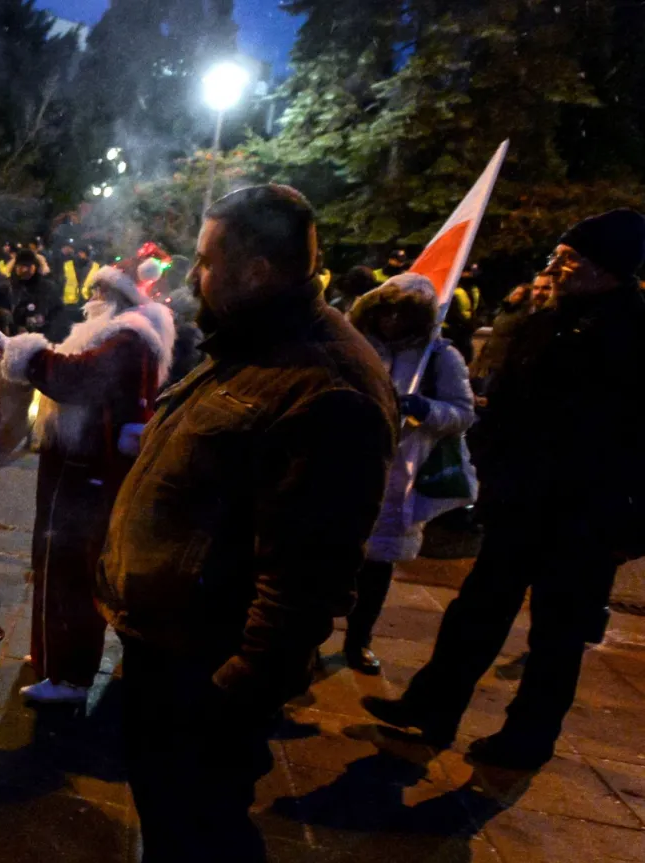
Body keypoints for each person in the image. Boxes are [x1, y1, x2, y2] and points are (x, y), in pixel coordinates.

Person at [98, 185, 397, 862]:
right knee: (171, 822)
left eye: (205, 260)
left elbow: (307, 576)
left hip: (204, 674)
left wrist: (232, 696)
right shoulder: (253, 342)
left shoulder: (328, 386)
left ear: (256, 270)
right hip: (167, 647)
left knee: (202, 832)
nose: (193, 275)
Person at [364, 210, 645, 770]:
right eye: (557, 259)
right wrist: (491, 475)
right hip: (522, 502)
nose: (556, 270)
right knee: (478, 611)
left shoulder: (634, 336)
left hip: (587, 517)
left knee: (557, 636)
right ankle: (432, 706)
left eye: (569, 261)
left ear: (606, 270)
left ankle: (527, 739)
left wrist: (631, 528)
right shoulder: (546, 324)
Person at [0, 265, 175, 704]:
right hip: (86, 469)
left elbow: (75, 377)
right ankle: (55, 659)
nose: (90, 296)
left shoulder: (126, 338)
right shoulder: (126, 335)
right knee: (62, 567)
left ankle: (69, 675)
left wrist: (24, 354)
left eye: (100, 289)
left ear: (118, 297)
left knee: (68, 572)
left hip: (86, 473)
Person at [341, 273, 478, 674]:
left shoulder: (439, 357)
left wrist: (425, 409)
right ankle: (312, 637)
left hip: (400, 470)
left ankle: (358, 638)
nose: (393, 320)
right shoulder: (355, 345)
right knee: (331, 555)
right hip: (349, 462)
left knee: (377, 562)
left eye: (403, 313)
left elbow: (464, 413)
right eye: (387, 310)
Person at [10, 249, 66, 341]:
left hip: (43, 339)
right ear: (15, 267)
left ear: (35, 267)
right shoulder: (9, 287)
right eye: (21, 266)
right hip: (16, 340)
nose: (24, 270)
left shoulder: (47, 287)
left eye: (28, 266)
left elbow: (58, 313)